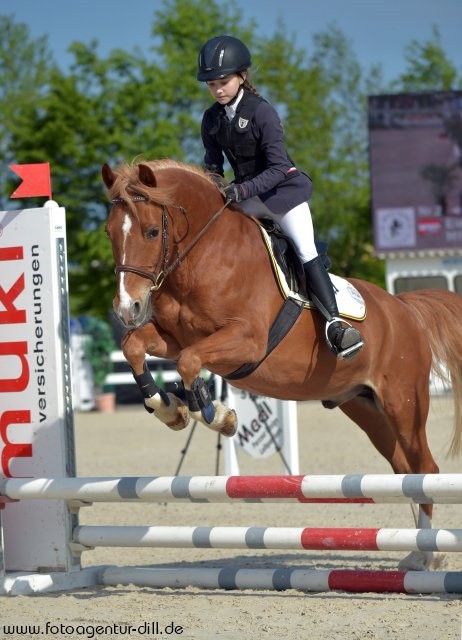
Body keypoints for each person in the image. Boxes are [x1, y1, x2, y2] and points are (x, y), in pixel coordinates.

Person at [197, 35, 363, 360]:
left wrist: (240, 190)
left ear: (242, 76)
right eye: (212, 84)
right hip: (244, 196)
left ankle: (336, 324)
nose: (217, 89)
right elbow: (212, 166)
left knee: (305, 250)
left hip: (282, 194)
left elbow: (279, 168)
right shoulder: (211, 119)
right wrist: (213, 188)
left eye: (224, 81)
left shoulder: (263, 113)